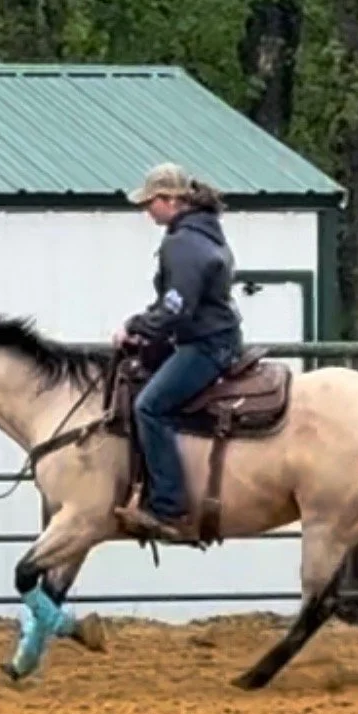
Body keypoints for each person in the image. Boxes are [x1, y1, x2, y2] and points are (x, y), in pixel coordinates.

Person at [113, 163, 244, 541]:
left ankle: (168, 506)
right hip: (213, 336)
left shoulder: (182, 243)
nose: (146, 210)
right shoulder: (203, 234)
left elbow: (175, 307)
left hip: (206, 345)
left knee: (148, 407)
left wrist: (135, 327)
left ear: (170, 199)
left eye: (150, 202)